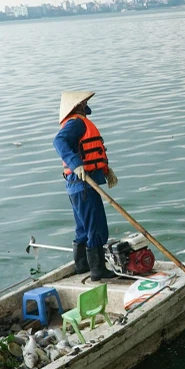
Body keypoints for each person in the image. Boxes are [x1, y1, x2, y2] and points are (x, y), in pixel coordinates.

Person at [53, 90, 119, 281]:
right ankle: (98, 270)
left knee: (83, 227)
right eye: (82, 103)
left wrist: (106, 171)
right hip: (83, 185)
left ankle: (82, 266)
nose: (85, 105)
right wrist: (75, 164)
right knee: (96, 227)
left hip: (78, 186)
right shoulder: (76, 123)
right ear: (76, 107)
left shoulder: (79, 123)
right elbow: (59, 142)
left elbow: (89, 151)